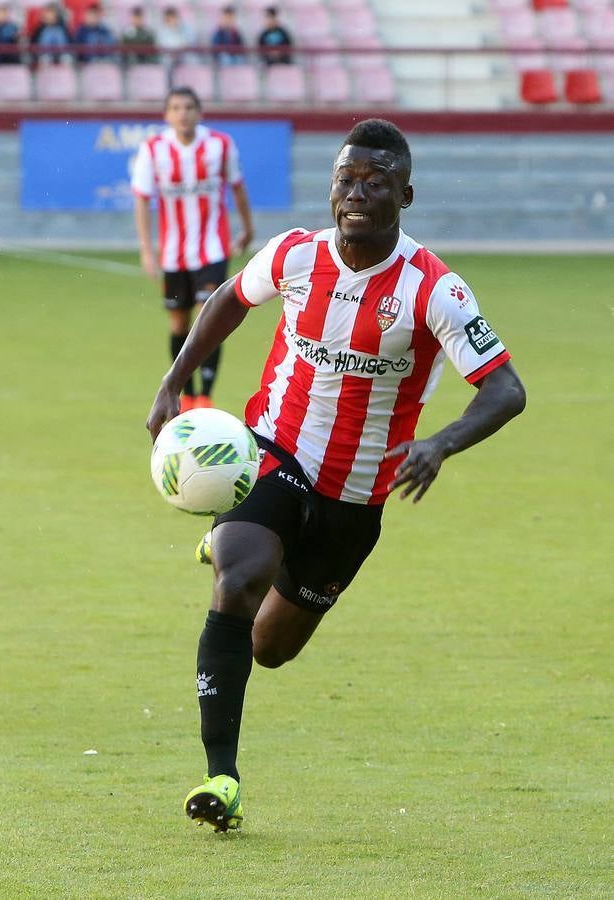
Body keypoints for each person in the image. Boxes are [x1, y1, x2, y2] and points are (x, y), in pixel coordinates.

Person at [144, 119, 527, 833]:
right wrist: (175, 380)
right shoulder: (294, 254)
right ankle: (220, 776)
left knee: (270, 647)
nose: (356, 194)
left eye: (375, 182)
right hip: (275, 452)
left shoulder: (433, 289)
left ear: (404, 194)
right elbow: (231, 295)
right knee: (238, 579)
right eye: (345, 180)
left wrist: (441, 443)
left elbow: (506, 388)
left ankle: (247, 546)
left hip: (357, 494)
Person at [132, 87, 253, 410]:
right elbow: (142, 200)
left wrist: (247, 228)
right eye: (176, 107)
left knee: (207, 317)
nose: (183, 113)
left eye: (188, 107)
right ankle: (186, 393)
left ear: (199, 112)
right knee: (178, 324)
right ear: (166, 115)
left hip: (212, 249)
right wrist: (147, 249)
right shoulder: (153, 149)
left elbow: (238, 188)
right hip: (174, 254)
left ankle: (206, 395)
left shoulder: (220, 145)